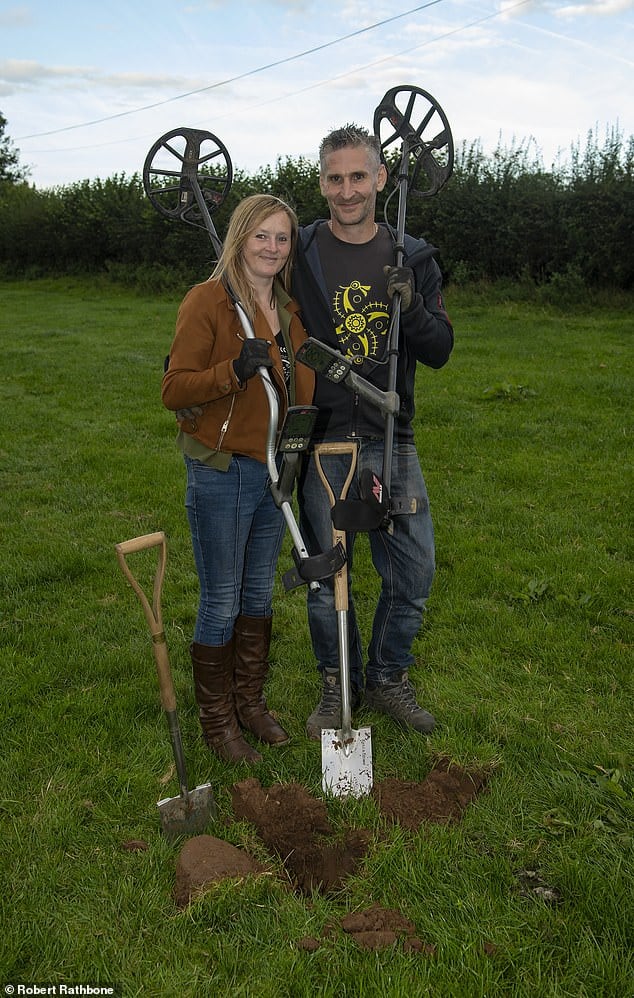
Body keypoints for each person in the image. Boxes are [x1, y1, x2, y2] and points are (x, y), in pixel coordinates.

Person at [291, 124, 454, 740]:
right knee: (325, 574)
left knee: (413, 570)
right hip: (325, 436)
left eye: (359, 176)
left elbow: (439, 350)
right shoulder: (300, 251)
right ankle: (338, 685)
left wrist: (409, 308)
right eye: (335, 178)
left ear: (382, 178)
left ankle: (386, 677)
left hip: (392, 432)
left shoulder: (413, 256)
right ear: (323, 183)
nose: (347, 190)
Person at [162, 194, 314, 763]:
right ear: (239, 240)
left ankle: (249, 703)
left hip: (274, 472)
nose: (272, 248)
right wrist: (234, 370)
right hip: (222, 473)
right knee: (222, 597)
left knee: (257, 593)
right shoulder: (208, 302)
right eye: (261, 237)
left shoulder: (287, 310)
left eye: (282, 238)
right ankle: (218, 723)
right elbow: (174, 389)